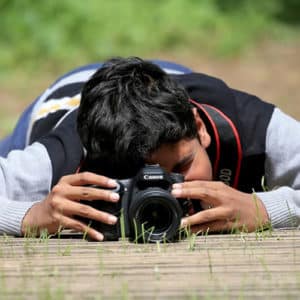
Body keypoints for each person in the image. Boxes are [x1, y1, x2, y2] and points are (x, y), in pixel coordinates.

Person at [1, 57, 299, 241]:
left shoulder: (248, 124)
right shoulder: (69, 155)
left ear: (200, 128)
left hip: (167, 79)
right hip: (56, 105)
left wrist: (263, 209)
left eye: (182, 167)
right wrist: (32, 214)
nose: (169, 190)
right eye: (143, 181)